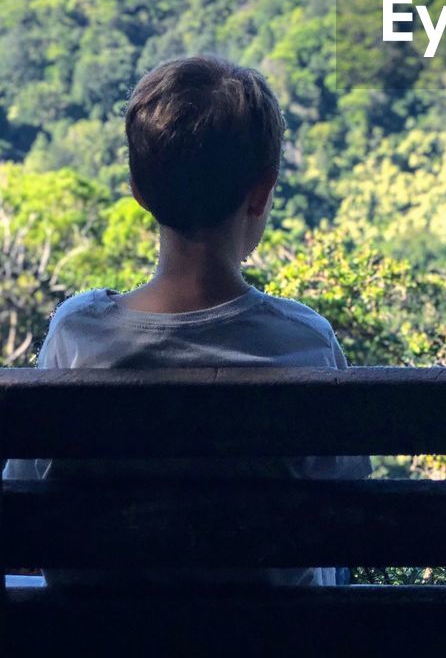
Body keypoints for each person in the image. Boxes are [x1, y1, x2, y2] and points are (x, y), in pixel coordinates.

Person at [4, 54, 369, 587]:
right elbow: (346, 509)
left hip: (99, 639)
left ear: (139, 189)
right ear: (262, 192)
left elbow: (25, 499)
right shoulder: (304, 342)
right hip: (267, 640)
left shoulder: (77, 334)